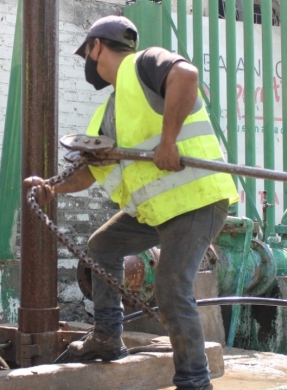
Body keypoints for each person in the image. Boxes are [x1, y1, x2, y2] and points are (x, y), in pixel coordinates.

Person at [23, 15, 238, 390]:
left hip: (196, 200)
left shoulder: (144, 64)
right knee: (100, 246)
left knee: (172, 287)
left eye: (87, 53)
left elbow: (185, 77)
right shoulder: (111, 109)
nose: (87, 63)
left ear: (97, 46)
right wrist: (51, 188)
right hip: (157, 210)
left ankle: (194, 380)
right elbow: (90, 170)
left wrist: (168, 141)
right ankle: (107, 336)